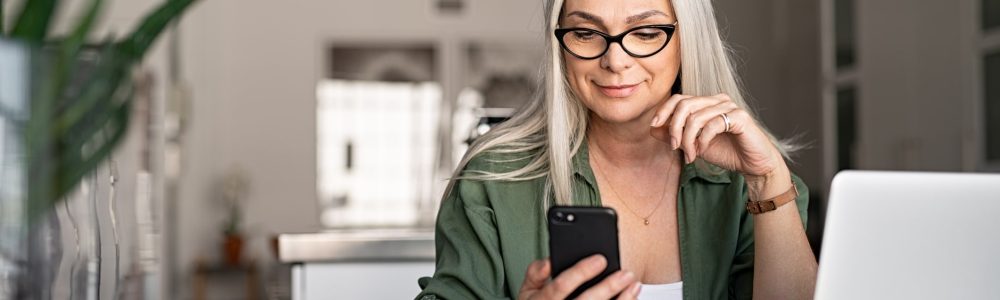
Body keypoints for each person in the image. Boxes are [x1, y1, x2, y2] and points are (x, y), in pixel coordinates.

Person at [417, 0, 818, 298]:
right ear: (560, 46)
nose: (615, 60)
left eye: (645, 33)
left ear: (687, 39)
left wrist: (767, 180)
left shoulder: (750, 183)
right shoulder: (490, 180)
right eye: (586, 33)